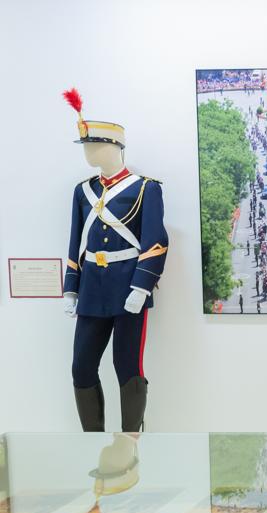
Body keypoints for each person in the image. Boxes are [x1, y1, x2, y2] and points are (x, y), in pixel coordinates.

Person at [61, 88, 168, 432]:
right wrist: (71, 286)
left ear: (114, 146)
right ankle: (92, 440)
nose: (89, 152)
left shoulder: (145, 189)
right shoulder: (83, 191)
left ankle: (131, 438)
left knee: (127, 365)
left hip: (128, 289)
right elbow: (76, 242)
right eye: (87, 146)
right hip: (92, 289)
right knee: (81, 366)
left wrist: (142, 286)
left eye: (94, 145)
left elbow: (156, 242)